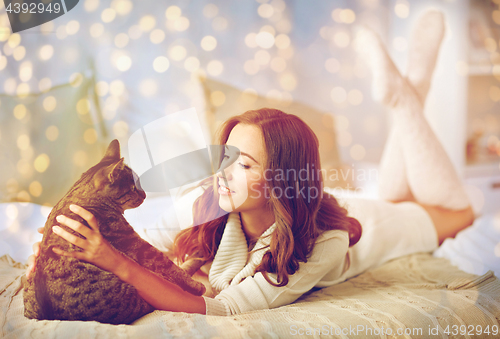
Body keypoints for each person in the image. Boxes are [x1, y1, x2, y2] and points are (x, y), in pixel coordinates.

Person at [26, 12, 474, 316]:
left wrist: (115, 263)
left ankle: (406, 95)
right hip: (344, 203)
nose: (223, 173)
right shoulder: (208, 202)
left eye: (244, 166)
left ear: (280, 178)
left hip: (370, 226)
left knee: (459, 212)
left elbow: (218, 311)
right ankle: (409, 90)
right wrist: (59, 255)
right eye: (226, 158)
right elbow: (144, 242)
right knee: (399, 191)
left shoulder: (325, 242)